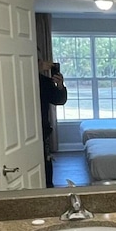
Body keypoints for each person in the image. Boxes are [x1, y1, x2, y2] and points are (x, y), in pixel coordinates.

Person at [38, 59, 67, 187]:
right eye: (39, 61)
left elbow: (59, 100)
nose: (43, 63)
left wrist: (60, 86)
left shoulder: (44, 81)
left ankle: (48, 189)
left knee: (46, 164)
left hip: (42, 129)